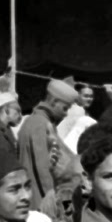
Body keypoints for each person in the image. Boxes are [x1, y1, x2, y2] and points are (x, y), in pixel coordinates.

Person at [18, 79, 78, 210]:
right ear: (54, 102)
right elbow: (43, 170)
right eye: (65, 108)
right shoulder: (39, 124)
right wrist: (53, 203)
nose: (66, 113)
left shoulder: (37, 121)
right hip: (39, 203)